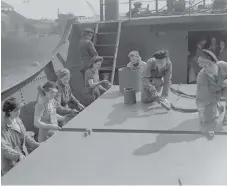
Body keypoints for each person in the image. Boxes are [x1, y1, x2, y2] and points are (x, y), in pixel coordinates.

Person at [1, 97, 40, 176]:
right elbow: (4, 148)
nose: (19, 112)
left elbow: (25, 136)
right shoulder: (3, 128)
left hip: (23, 157)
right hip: (11, 166)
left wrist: (37, 144)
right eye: (16, 110)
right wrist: (18, 156)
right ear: (9, 111)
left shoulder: (18, 120)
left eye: (19, 109)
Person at [196, 49, 227, 139]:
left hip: (225, 88)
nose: (207, 69)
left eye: (209, 65)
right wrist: (201, 110)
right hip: (212, 95)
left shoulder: (223, 65)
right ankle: (217, 106)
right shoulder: (202, 76)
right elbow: (201, 96)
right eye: (204, 67)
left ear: (214, 62)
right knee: (208, 119)